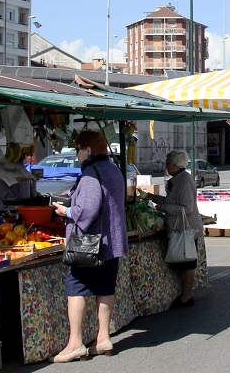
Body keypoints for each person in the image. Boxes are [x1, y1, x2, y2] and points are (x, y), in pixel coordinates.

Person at [52, 130, 128, 362]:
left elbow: (88, 209)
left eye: (78, 151)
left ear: (87, 150)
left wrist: (67, 211)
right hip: (112, 242)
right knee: (105, 287)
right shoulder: (113, 170)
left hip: (90, 244)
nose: (77, 156)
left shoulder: (91, 174)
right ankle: (103, 337)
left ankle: (75, 343)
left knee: (75, 287)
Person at [139, 150, 204, 308]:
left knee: (187, 262)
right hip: (178, 228)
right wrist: (152, 197)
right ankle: (184, 294)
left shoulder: (185, 180)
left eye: (167, 163)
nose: (166, 166)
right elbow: (172, 199)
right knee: (182, 263)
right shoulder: (177, 179)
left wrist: (163, 207)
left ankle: (187, 296)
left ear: (175, 164)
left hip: (187, 229)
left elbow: (187, 208)